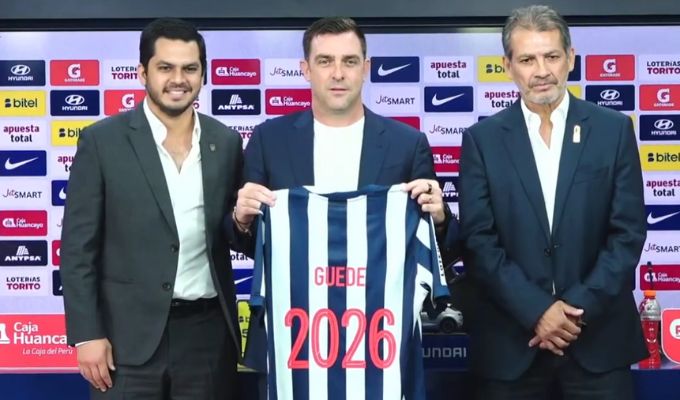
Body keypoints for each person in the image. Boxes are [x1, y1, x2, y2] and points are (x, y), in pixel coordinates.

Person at [459, 5, 647, 399]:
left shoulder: (613, 130)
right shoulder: (482, 140)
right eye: (527, 59)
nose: (541, 70)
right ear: (508, 66)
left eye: (551, 56)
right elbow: (478, 241)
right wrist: (537, 311)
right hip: (511, 348)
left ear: (571, 58)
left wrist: (572, 311)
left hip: (598, 345)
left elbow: (627, 233)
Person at [60, 18, 243, 399]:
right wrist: (87, 334)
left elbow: (234, 234)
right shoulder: (102, 142)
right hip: (125, 340)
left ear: (203, 74)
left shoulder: (225, 142)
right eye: (165, 68)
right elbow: (78, 249)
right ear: (143, 73)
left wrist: (244, 221)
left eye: (190, 68)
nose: (178, 79)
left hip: (207, 337)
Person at [230, 16, 458, 260]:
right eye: (325, 61)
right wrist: (241, 221)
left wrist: (440, 220)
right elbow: (247, 243)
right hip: (296, 285)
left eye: (350, 61)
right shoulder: (269, 140)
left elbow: (440, 250)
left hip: (379, 285)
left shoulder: (408, 144)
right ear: (306, 69)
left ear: (365, 68)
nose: (338, 74)